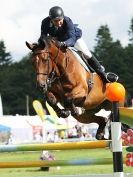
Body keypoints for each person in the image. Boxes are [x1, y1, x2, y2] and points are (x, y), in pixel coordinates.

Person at [38, 6, 118, 83]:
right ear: (51, 20)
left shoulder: (68, 21)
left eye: (60, 20)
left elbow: (72, 39)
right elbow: (43, 37)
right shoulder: (45, 22)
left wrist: (65, 43)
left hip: (73, 39)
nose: (58, 23)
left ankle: (103, 74)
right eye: (55, 21)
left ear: (63, 17)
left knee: (86, 53)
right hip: (58, 40)